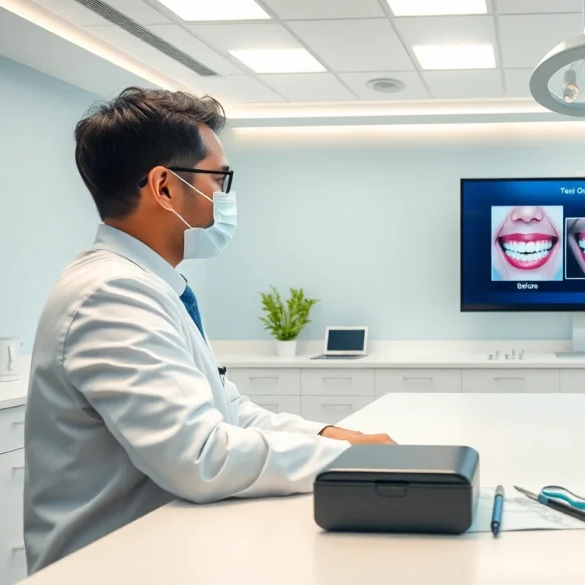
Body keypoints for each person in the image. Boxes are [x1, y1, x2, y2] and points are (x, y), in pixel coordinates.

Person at [23, 87, 395, 573]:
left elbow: (228, 410)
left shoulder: (149, 286)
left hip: (156, 549)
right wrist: (343, 459)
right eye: (219, 179)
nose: (226, 196)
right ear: (164, 187)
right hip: (107, 566)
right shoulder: (112, 296)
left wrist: (333, 436)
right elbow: (200, 457)